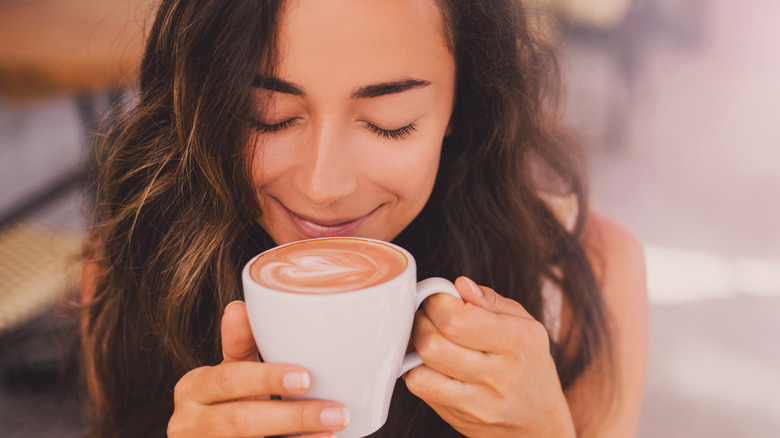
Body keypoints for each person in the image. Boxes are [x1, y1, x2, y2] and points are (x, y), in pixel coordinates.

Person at [80, 0, 648, 436]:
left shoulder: (584, 277)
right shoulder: (135, 258)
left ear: (462, 105)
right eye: (269, 116)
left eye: (389, 121)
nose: (322, 187)